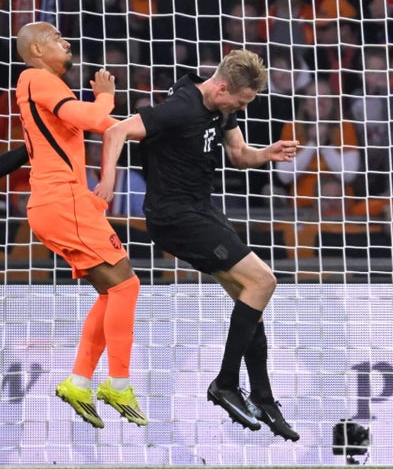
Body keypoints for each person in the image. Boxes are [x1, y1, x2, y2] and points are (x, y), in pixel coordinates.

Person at [95, 49, 301, 440]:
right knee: (263, 282)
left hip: (201, 211)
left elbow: (239, 155)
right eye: (240, 101)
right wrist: (108, 182)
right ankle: (225, 383)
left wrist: (267, 154)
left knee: (248, 295)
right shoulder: (179, 109)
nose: (240, 108)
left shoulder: (220, 107)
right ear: (222, 87)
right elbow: (115, 131)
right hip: (176, 218)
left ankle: (264, 397)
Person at [14, 22, 145, 429]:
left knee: (112, 291)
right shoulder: (36, 78)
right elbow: (92, 116)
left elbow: (107, 127)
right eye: (56, 37)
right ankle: (118, 381)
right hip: (63, 200)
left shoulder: (49, 92)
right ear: (36, 49)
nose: (66, 41)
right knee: (126, 286)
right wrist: (105, 96)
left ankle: (78, 381)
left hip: (64, 202)